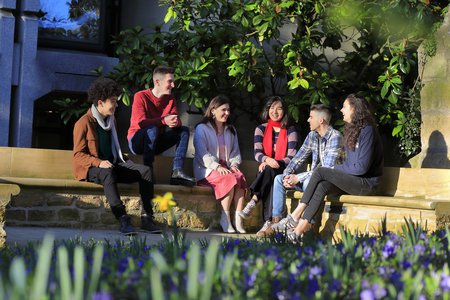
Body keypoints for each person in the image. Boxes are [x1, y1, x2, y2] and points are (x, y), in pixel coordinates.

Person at [275, 94, 384, 242]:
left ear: (354, 109)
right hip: (354, 181)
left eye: (345, 106)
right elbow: (350, 165)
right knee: (323, 185)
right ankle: (298, 231)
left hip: (367, 185)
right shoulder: (352, 130)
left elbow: (361, 168)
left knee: (321, 171)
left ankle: (295, 215)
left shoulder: (368, 131)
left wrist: (337, 168)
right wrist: (340, 167)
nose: (341, 110)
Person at [73, 78, 161, 235]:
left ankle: (147, 218)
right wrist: (98, 162)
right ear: (100, 102)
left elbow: (114, 150)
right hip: (93, 168)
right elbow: (78, 155)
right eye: (113, 101)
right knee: (108, 173)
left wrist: (125, 161)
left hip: (113, 165)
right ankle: (122, 218)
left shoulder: (111, 121)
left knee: (145, 171)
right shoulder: (83, 123)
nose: (116, 105)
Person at [256, 104, 343, 237]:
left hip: (327, 181)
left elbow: (326, 169)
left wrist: (298, 178)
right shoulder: (312, 135)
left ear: (321, 121)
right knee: (279, 179)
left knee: (309, 183)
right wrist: (287, 175)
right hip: (312, 177)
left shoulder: (335, 137)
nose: (308, 120)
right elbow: (298, 158)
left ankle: (308, 226)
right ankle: (277, 223)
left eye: (311, 117)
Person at [127, 66, 195, 186]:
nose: (173, 85)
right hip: (137, 142)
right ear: (157, 82)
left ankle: (177, 171)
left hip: (156, 142)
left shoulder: (170, 99)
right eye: (170, 81)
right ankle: (148, 172)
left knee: (183, 130)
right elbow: (141, 123)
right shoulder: (141, 96)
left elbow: (176, 119)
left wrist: (175, 122)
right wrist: (164, 121)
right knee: (152, 129)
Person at [238, 96, 298, 230]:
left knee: (270, 172)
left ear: (284, 112)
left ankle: (253, 201)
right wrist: (266, 160)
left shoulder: (290, 130)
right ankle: (268, 222)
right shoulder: (261, 129)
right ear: (267, 110)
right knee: (270, 174)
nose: (275, 112)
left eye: (279, 109)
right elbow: (257, 153)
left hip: (285, 169)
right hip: (268, 168)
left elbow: (292, 156)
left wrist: (274, 162)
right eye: (272, 108)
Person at [193, 95, 247, 233]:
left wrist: (234, 165)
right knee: (228, 178)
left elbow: (235, 153)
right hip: (207, 169)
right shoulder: (201, 128)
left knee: (240, 177)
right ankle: (225, 218)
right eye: (223, 110)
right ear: (213, 110)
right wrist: (216, 166)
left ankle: (238, 220)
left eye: (228, 110)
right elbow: (201, 153)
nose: (227, 113)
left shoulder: (231, 130)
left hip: (226, 168)